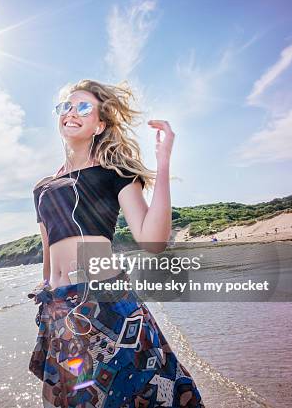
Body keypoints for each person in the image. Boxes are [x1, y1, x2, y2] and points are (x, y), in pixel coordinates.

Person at [28, 79, 204, 407]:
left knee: (137, 395)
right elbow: (47, 254)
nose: (71, 112)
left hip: (109, 304)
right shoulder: (42, 188)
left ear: (100, 125)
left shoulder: (115, 173)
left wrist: (163, 163)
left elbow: (152, 240)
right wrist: (46, 301)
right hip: (63, 312)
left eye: (83, 107)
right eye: (66, 106)